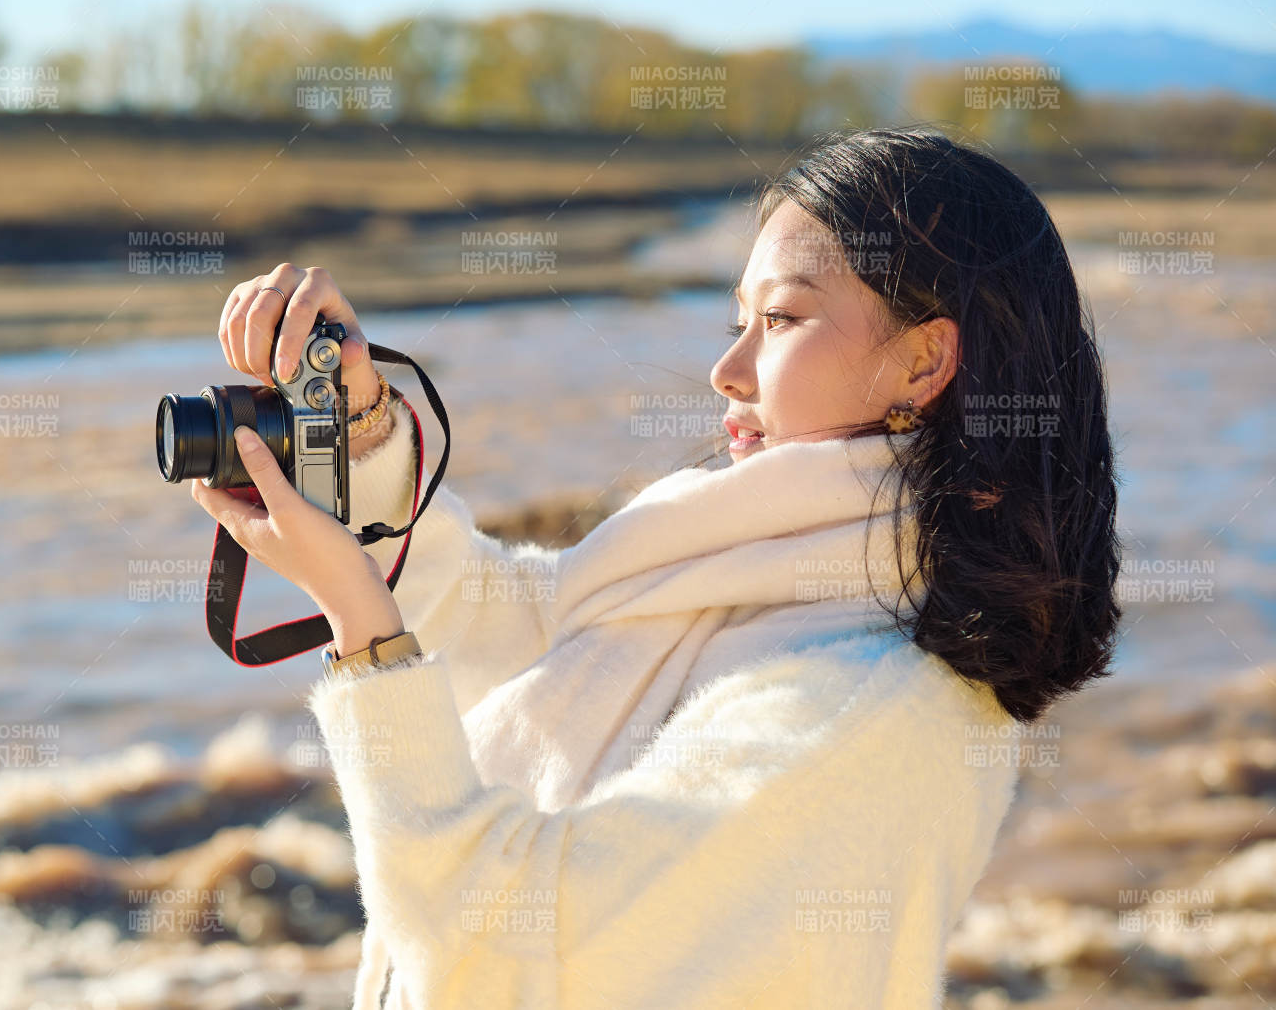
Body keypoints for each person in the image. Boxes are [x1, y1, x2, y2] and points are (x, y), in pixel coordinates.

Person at [193, 125, 1122, 1009]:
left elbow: (508, 953)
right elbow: (524, 639)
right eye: (738, 320)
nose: (726, 366)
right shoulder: (762, 562)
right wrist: (364, 430)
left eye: (782, 319)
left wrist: (365, 632)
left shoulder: (862, 704)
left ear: (924, 362)